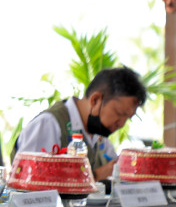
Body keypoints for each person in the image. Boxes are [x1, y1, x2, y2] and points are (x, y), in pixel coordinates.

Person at [14, 66, 146, 181]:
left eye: (127, 118)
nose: (121, 124)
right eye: (119, 113)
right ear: (95, 100)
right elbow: (29, 182)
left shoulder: (100, 138)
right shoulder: (49, 124)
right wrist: (95, 176)